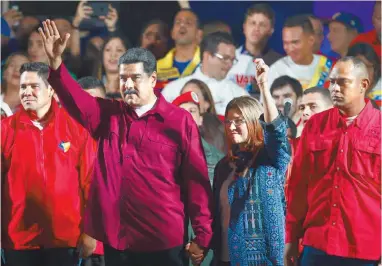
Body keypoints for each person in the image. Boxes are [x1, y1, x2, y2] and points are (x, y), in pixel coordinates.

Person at [39, 19, 213, 266]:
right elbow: (74, 98)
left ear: (153, 79)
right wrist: (56, 64)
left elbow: (196, 181)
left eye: (135, 78)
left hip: (164, 242)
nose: (127, 85)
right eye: (123, 79)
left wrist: (202, 235)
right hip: (118, 242)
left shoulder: (179, 121)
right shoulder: (107, 115)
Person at [284, 57, 381, 266]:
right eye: (332, 82)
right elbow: (298, 186)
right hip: (317, 244)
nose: (334, 88)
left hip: (365, 249)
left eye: (342, 82)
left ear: (363, 85)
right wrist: (291, 238)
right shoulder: (316, 125)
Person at [1, 62, 97, 266]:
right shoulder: (5, 129)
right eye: (23, 87)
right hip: (17, 240)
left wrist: (91, 232)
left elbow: (91, 183)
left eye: (33, 86)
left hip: (66, 239)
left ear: (51, 89)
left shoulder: (77, 128)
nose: (26, 92)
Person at [211, 58, 290, 266]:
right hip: (223, 260)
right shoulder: (224, 166)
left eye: (239, 121)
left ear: (255, 122)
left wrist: (263, 86)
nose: (232, 126)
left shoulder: (270, 158)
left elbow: (276, 131)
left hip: (261, 261)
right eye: (229, 121)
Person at [162, 31, 249, 116]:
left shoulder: (240, 95)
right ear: (207, 56)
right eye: (225, 58)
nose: (229, 64)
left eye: (232, 60)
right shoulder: (173, 90)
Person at [227, 3, 282, 95]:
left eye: (262, 25)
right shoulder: (228, 57)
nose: (256, 28)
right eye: (252, 23)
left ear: (271, 30)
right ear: (244, 27)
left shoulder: (278, 62)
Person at [268, 15, 332, 90]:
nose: (290, 48)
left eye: (295, 42)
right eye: (286, 43)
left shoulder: (326, 66)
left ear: (311, 40)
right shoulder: (277, 70)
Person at [156, 9, 202, 90]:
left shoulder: (205, 63)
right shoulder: (156, 67)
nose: (182, 25)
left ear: (199, 34)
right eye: (178, 22)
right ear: (172, 33)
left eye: (188, 23)